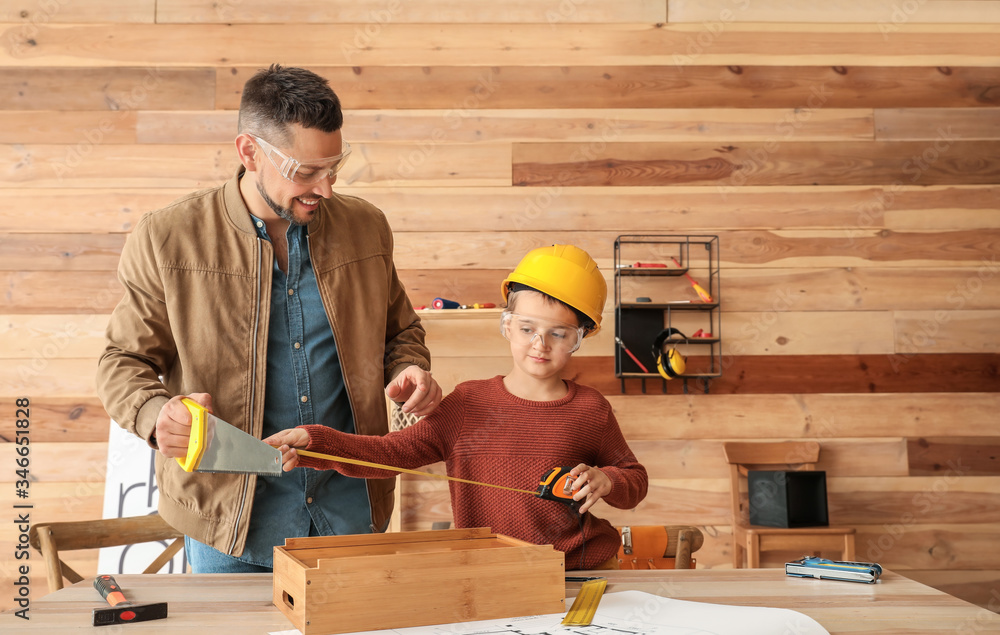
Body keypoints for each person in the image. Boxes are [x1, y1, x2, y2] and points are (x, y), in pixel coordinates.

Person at [96, 64, 442, 573]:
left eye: (333, 167)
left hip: (352, 510)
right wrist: (154, 415)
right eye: (304, 171)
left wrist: (407, 369)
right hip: (228, 524)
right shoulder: (167, 237)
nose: (324, 189)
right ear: (249, 151)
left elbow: (402, 332)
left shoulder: (367, 227)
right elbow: (121, 360)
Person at [266, 245, 648, 570]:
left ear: (580, 337)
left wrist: (608, 480)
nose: (540, 344)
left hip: (581, 570)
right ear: (507, 326)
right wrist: (312, 441)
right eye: (528, 328)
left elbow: (634, 481)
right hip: (486, 572)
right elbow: (388, 454)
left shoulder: (590, 410)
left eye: (559, 333)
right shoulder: (468, 403)